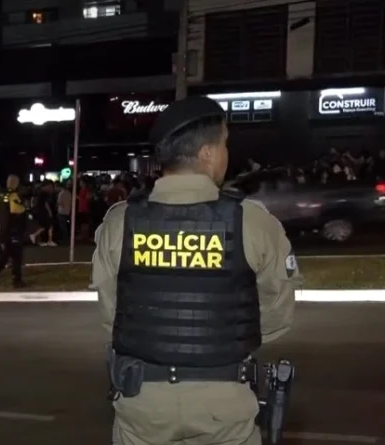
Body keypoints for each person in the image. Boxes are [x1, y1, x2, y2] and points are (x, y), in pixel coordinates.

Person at [91, 96, 302, 445]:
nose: (226, 154)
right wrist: (222, 335)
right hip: (224, 405)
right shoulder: (251, 221)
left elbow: (112, 314)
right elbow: (277, 316)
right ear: (207, 153)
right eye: (224, 144)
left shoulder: (120, 221)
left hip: (143, 402)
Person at [0, 174, 27, 287]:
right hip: (13, 230)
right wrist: (24, 208)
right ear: (16, 184)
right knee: (17, 256)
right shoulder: (13, 196)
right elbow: (15, 210)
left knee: (7, 254)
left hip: (2, 230)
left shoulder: (0, 196)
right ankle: (17, 280)